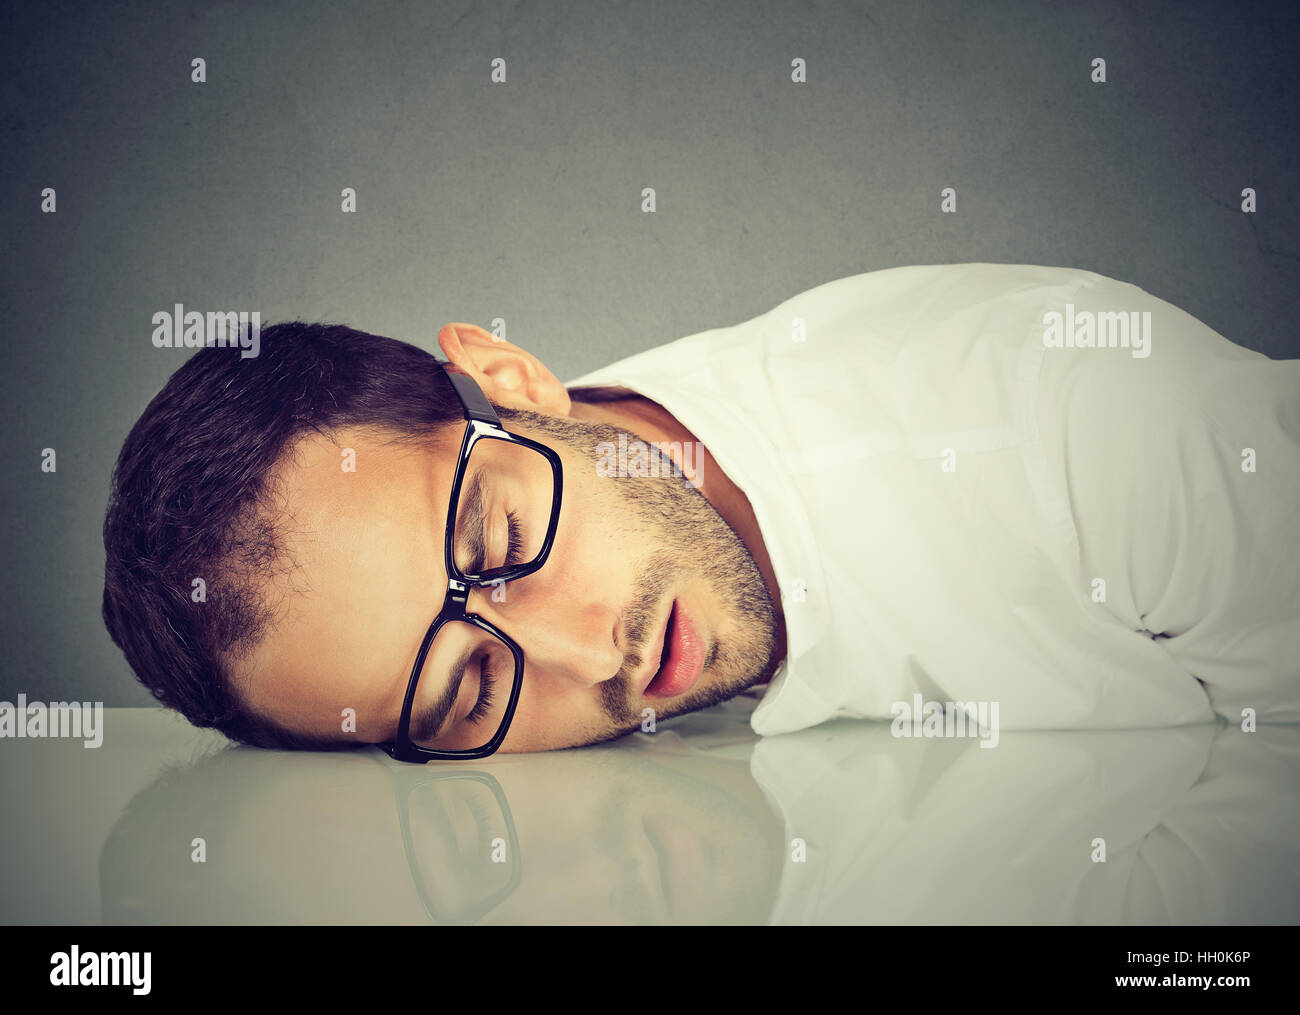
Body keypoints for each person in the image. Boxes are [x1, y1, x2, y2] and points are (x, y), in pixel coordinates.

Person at [101, 263, 1300, 758]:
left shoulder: (1090, 431)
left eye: (503, 542)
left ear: (512, 386)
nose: (589, 655)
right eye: (466, 691)